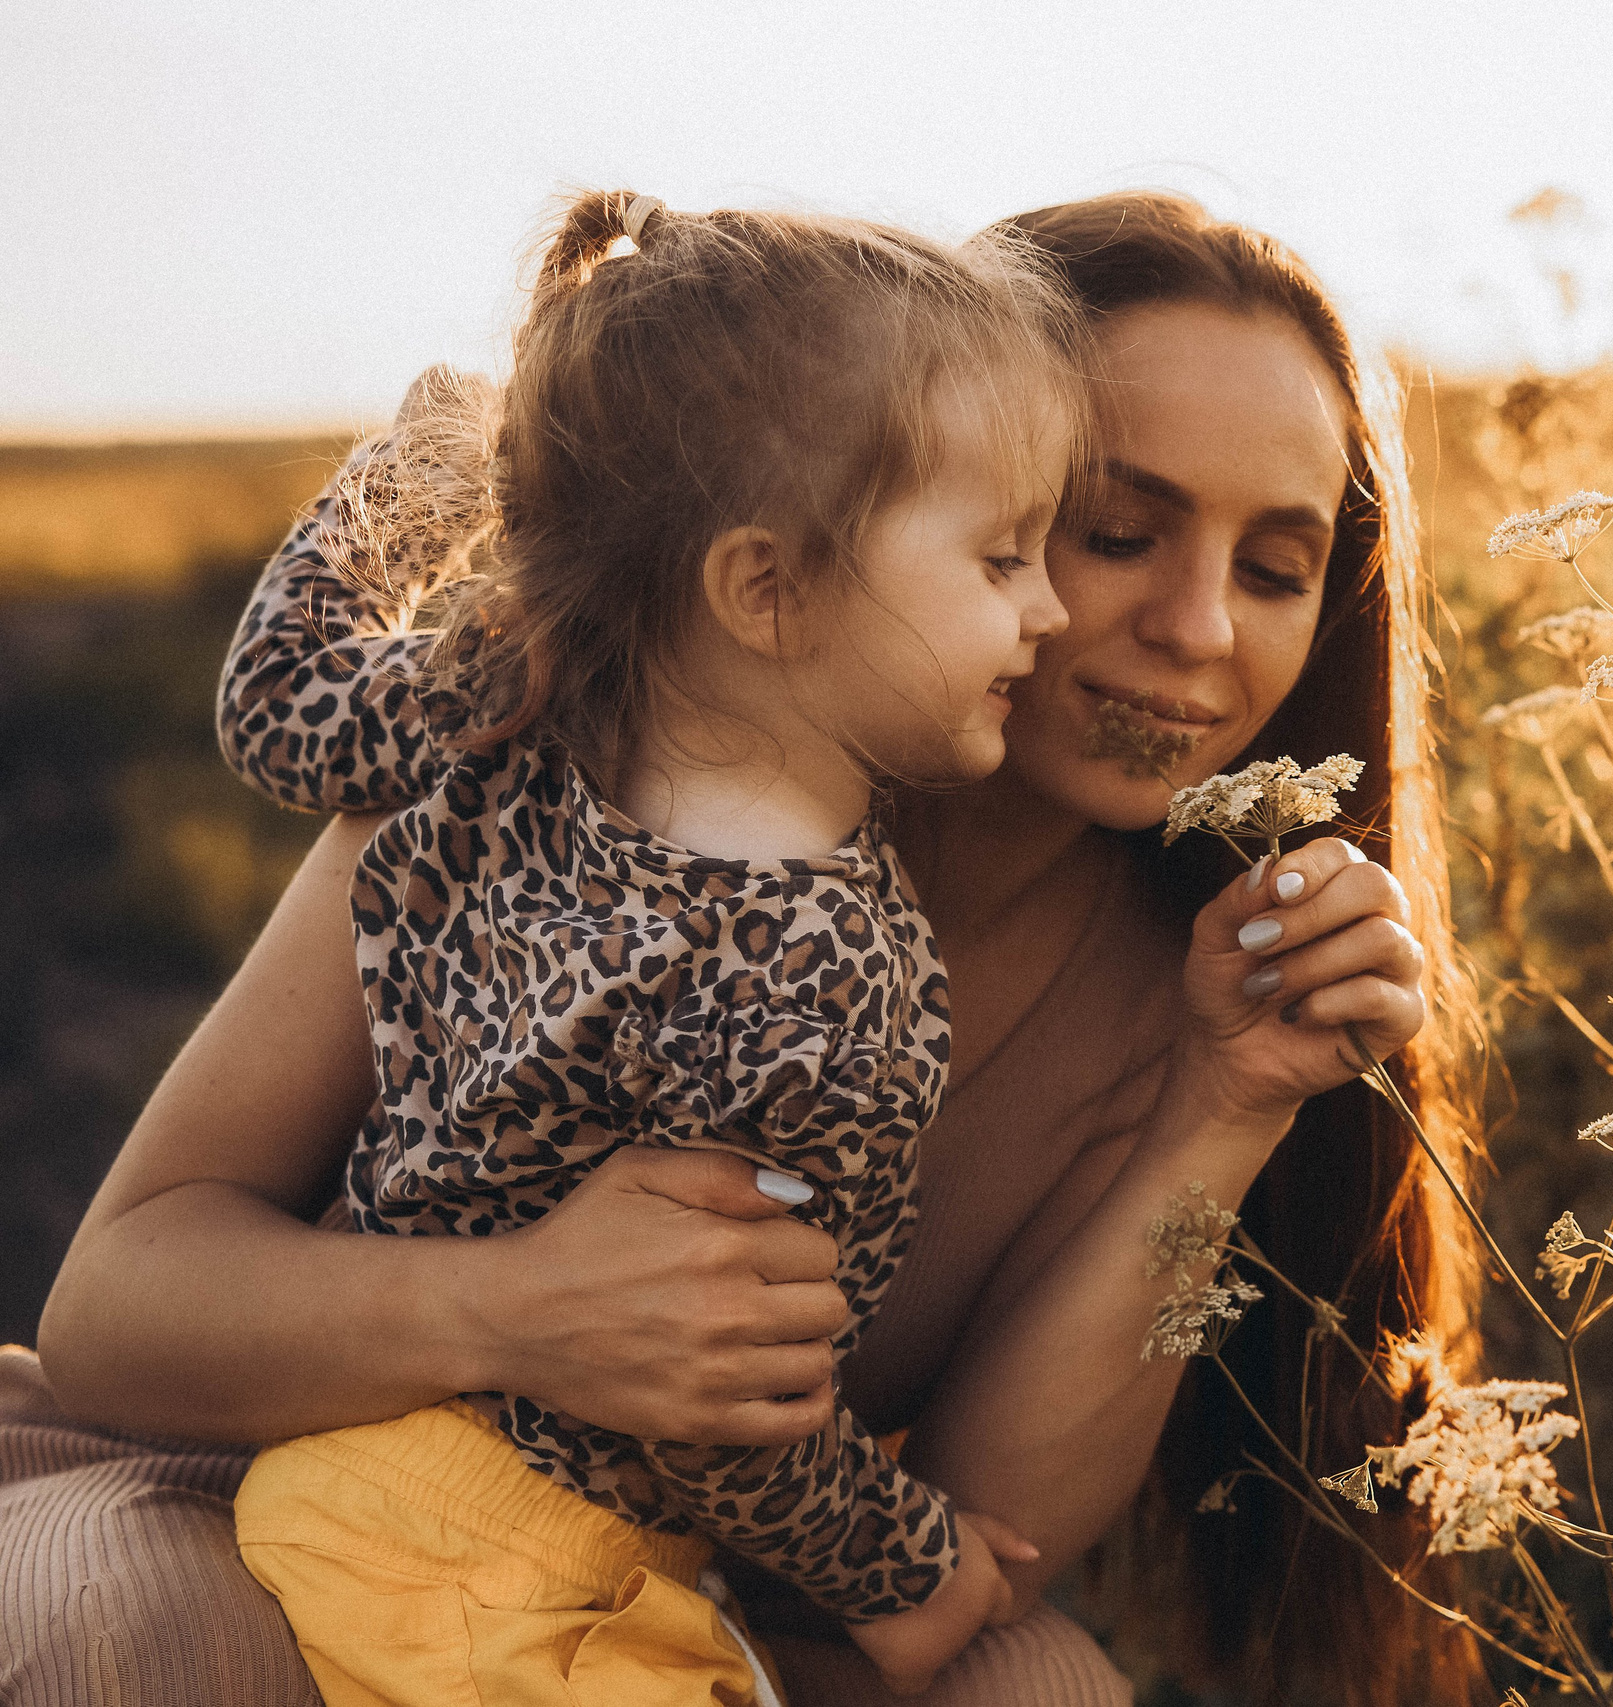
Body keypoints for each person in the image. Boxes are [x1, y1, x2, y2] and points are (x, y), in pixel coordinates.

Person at [11, 192, 1484, 1707]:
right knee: (152, 1659)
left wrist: (1223, 1108)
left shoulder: (1190, 984)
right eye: (1108, 533)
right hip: (258, 1457)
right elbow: (115, 1310)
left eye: (1276, 570)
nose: (1200, 628)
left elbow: (992, 1537)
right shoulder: (563, 757)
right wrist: (519, 1306)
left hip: (701, 1565)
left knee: (1041, 1690)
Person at [215, 186, 1088, 1703]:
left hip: (342, 1468)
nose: (1053, 609)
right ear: (767, 588)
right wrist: (911, 1573)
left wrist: (422, 467)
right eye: (1004, 559)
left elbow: (278, 701)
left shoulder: (510, 707)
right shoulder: (827, 988)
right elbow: (721, 1404)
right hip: (526, 1580)